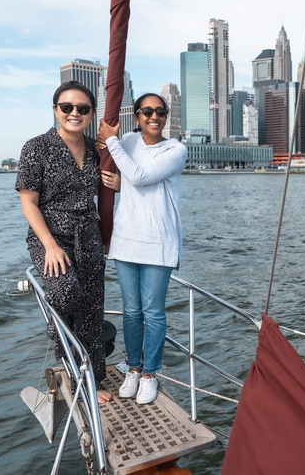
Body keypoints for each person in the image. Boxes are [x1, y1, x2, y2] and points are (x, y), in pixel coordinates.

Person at [16, 80, 119, 404]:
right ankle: (62, 345)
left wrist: (117, 184)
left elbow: (108, 185)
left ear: (91, 115)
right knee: (65, 292)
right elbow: (28, 203)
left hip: (87, 234)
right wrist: (49, 245)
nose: (74, 113)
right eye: (67, 107)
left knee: (91, 309)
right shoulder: (36, 148)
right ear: (55, 110)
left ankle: (93, 380)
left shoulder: (94, 149)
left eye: (83, 109)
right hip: (51, 235)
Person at [96, 93, 187, 404]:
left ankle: (150, 373)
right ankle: (133, 368)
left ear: (165, 117)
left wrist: (112, 146)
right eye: (147, 111)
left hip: (159, 242)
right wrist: (111, 148)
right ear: (136, 117)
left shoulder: (176, 149)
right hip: (125, 240)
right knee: (132, 312)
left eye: (160, 111)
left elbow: (140, 175)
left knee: (153, 313)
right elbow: (117, 165)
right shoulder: (129, 141)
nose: (154, 116)